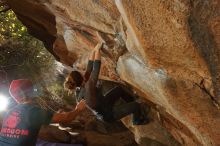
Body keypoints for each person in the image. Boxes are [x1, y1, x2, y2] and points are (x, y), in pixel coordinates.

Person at [64, 42, 150, 125]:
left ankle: (131, 101)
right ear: (81, 77)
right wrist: (98, 51)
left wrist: (94, 50)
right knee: (135, 106)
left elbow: (89, 67)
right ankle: (137, 120)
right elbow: (96, 67)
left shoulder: (79, 87)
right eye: (81, 74)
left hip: (104, 103)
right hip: (109, 115)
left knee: (119, 90)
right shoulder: (88, 86)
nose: (83, 73)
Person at [0, 79, 86, 146]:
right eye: (32, 88)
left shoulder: (9, 112)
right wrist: (79, 108)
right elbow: (67, 118)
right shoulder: (32, 111)